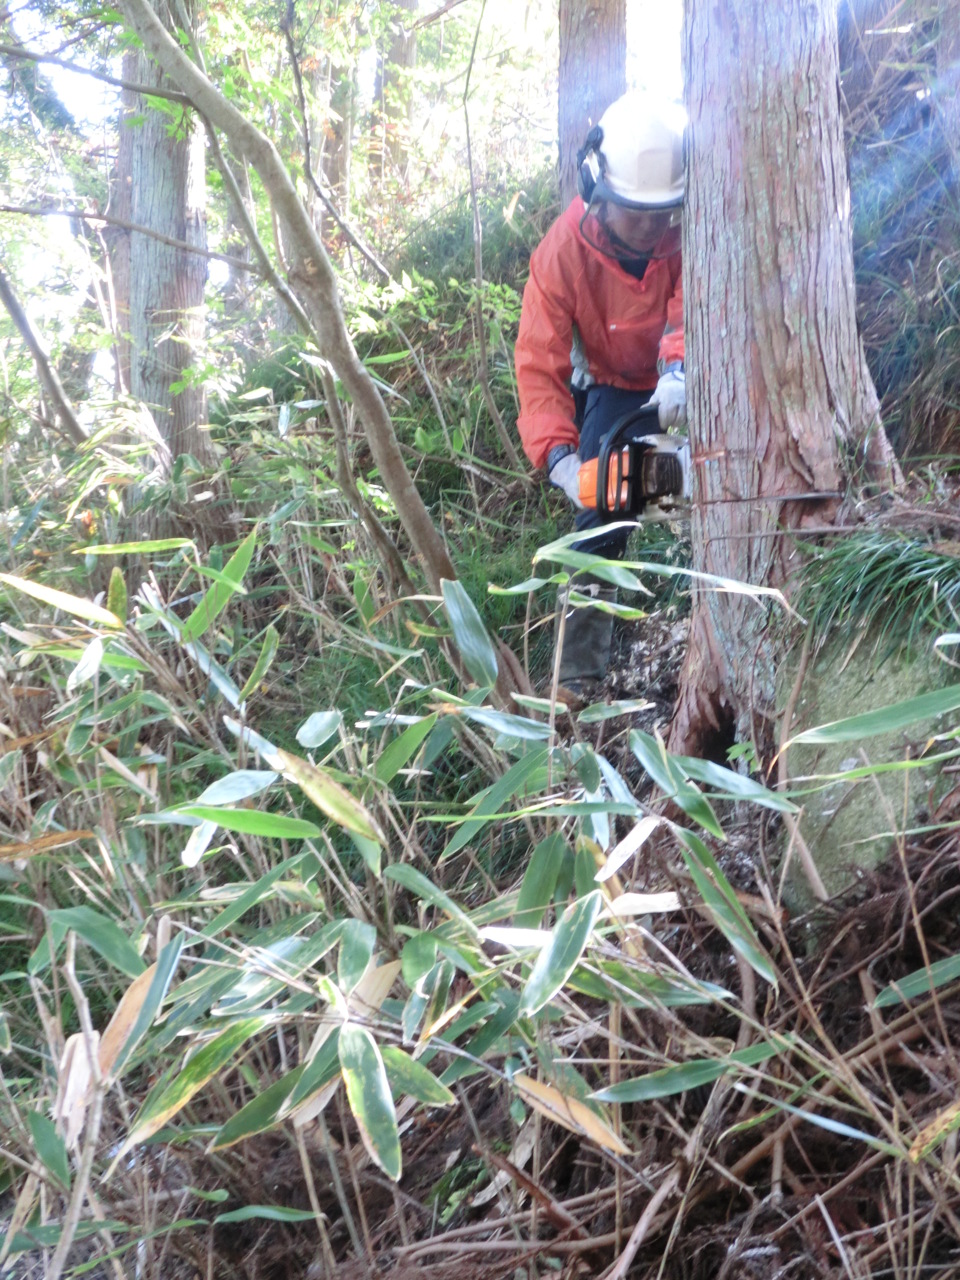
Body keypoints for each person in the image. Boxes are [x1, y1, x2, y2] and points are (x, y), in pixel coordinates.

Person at [515, 90, 687, 708]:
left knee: (700, 470)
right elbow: (539, 361)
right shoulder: (561, 254)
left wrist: (681, 367)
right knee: (598, 515)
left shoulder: (686, 230)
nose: (647, 229)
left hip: (685, 377)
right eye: (633, 213)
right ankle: (576, 679)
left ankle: (682, 506)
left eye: (658, 214)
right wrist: (559, 458)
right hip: (615, 386)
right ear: (599, 191)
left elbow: (690, 301)